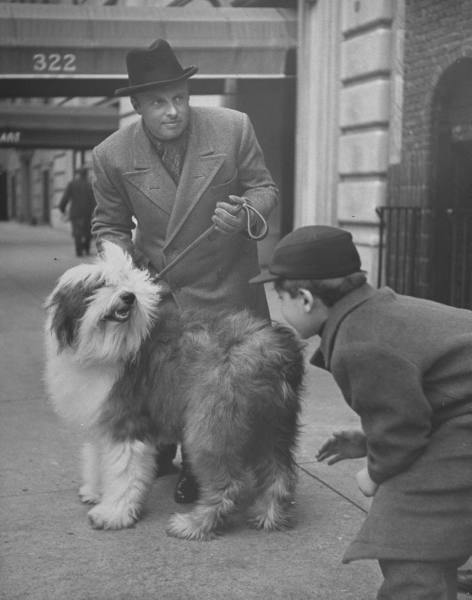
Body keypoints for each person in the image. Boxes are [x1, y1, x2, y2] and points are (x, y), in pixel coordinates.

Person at [91, 38, 278, 504]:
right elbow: (109, 225)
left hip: (227, 282)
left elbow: (263, 186)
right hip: (164, 289)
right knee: (166, 378)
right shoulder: (111, 154)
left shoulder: (233, 127)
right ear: (136, 105)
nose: (173, 111)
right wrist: (124, 272)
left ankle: (206, 464)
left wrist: (245, 217)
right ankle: (168, 451)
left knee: (223, 388)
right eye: (158, 102)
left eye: (179, 98)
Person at [250, 224, 472, 600]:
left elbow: (404, 431)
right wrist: (371, 441)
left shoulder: (360, 342)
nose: (280, 308)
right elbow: (422, 399)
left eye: (280, 296)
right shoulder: (373, 314)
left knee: (407, 530)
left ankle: (420, 583)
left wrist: (374, 470)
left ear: (305, 299)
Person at [59, 166, 96, 257]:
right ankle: (86, 249)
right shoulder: (90, 184)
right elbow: (94, 200)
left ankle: (79, 251)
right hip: (88, 212)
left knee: (77, 232)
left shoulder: (72, 184)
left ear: (78, 174)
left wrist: (62, 208)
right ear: (86, 174)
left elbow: (65, 198)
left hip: (75, 212)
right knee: (87, 231)